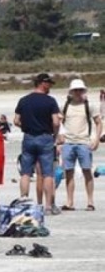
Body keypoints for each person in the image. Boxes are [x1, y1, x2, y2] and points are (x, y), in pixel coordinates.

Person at [14, 73, 61, 214]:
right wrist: (55, 134)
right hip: (45, 137)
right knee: (47, 173)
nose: (50, 87)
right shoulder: (50, 101)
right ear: (43, 83)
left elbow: (16, 120)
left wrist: (26, 126)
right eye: (49, 84)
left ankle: (24, 200)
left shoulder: (23, 100)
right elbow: (56, 122)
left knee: (26, 172)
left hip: (28, 137)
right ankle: (47, 206)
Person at [58, 78, 101, 211]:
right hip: (68, 143)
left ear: (83, 91)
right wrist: (59, 141)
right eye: (75, 90)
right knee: (69, 173)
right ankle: (70, 202)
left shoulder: (90, 105)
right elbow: (58, 123)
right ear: (71, 92)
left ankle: (90, 201)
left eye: (80, 90)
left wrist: (96, 140)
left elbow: (98, 122)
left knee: (87, 171)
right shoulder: (64, 106)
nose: (77, 92)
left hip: (83, 142)